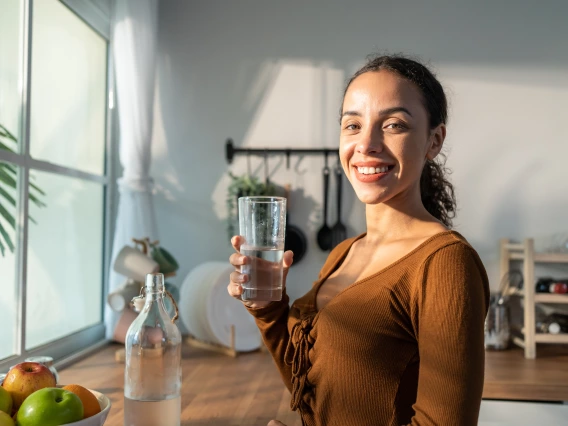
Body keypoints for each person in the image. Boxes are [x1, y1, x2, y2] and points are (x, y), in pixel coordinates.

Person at [228, 54, 490, 426]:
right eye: (353, 125)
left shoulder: (446, 264)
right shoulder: (344, 252)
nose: (366, 144)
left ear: (434, 140)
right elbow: (315, 388)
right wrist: (268, 306)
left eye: (394, 124)